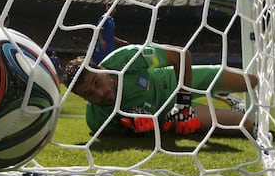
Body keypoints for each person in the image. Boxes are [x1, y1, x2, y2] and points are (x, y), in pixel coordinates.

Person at [63, 44, 259, 137]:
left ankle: (219, 92)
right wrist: (134, 126)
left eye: (97, 82)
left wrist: (183, 104)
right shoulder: (96, 121)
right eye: (89, 94)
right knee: (246, 126)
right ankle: (223, 102)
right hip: (165, 115)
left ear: (103, 70)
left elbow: (180, 55)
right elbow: (130, 135)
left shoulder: (124, 59)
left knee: (251, 81)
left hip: (170, 80)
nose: (100, 94)